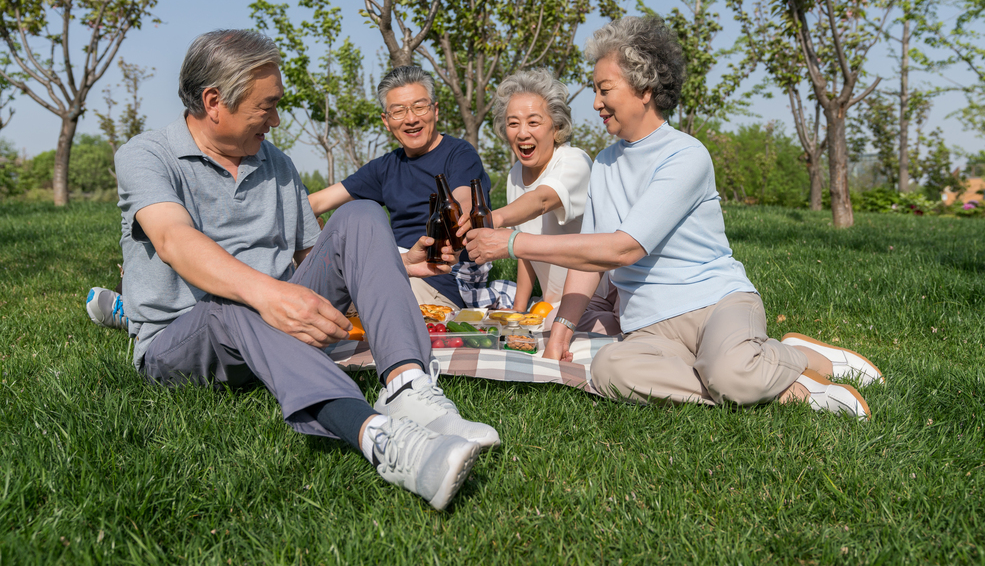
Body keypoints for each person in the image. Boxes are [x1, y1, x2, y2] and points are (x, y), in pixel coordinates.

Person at [114, 30, 499, 511]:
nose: (276, 120)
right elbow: (174, 240)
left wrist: (400, 263)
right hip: (185, 341)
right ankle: (380, 439)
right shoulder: (147, 155)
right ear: (214, 101)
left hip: (273, 321)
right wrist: (268, 296)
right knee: (234, 304)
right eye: (267, 106)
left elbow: (315, 258)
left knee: (358, 216)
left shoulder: (276, 163)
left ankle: (406, 386)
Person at [465, 16, 882, 419]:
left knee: (728, 373)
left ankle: (797, 361)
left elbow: (625, 248)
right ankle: (752, 378)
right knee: (609, 371)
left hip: (715, 303)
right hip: (649, 328)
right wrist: (560, 333)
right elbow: (587, 264)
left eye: (604, 89)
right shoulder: (605, 164)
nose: (595, 103)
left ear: (644, 88)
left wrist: (513, 242)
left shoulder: (685, 155)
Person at [308, 66, 510, 310]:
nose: (411, 118)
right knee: (313, 287)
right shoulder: (385, 167)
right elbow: (316, 203)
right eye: (399, 111)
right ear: (386, 121)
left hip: (439, 279)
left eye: (419, 106)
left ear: (435, 110)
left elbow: (462, 202)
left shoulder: (460, 154)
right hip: (392, 268)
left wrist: (456, 220)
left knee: (376, 296)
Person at [455, 69, 619, 334]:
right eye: (513, 123)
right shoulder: (514, 175)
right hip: (552, 303)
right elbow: (523, 249)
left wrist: (492, 219)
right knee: (519, 329)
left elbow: (542, 199)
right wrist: (518, 309)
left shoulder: (574, 161)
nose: (522, 133)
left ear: (556, 127)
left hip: (595, 299)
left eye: (533, 122)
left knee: (553, 330)